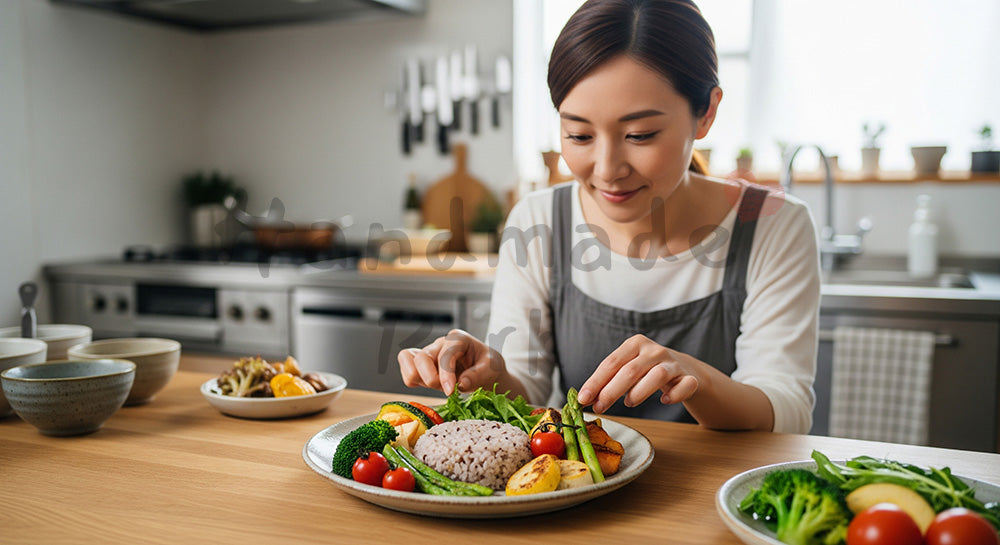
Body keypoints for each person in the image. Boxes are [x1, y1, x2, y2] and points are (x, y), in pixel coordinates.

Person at [397, 0, 820, 434]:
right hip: (580, 495)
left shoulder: (773, 224)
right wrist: (491, 374)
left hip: (714, 498)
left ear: (706, 113)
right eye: (579, 134)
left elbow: (785, 412)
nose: (606, 169)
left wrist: (694, 378)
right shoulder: (539, 220)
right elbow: (530, 394)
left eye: (640, 135)